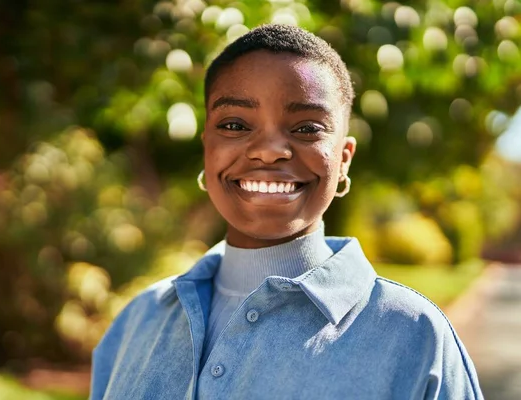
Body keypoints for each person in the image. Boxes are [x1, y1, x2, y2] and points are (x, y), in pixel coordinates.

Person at [90, 24, 483, 399]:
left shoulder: (413, 336)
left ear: (344, 159)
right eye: (234, 124)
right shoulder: (139, 320)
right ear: (206, 147)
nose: (269, 149)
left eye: (307, 128)